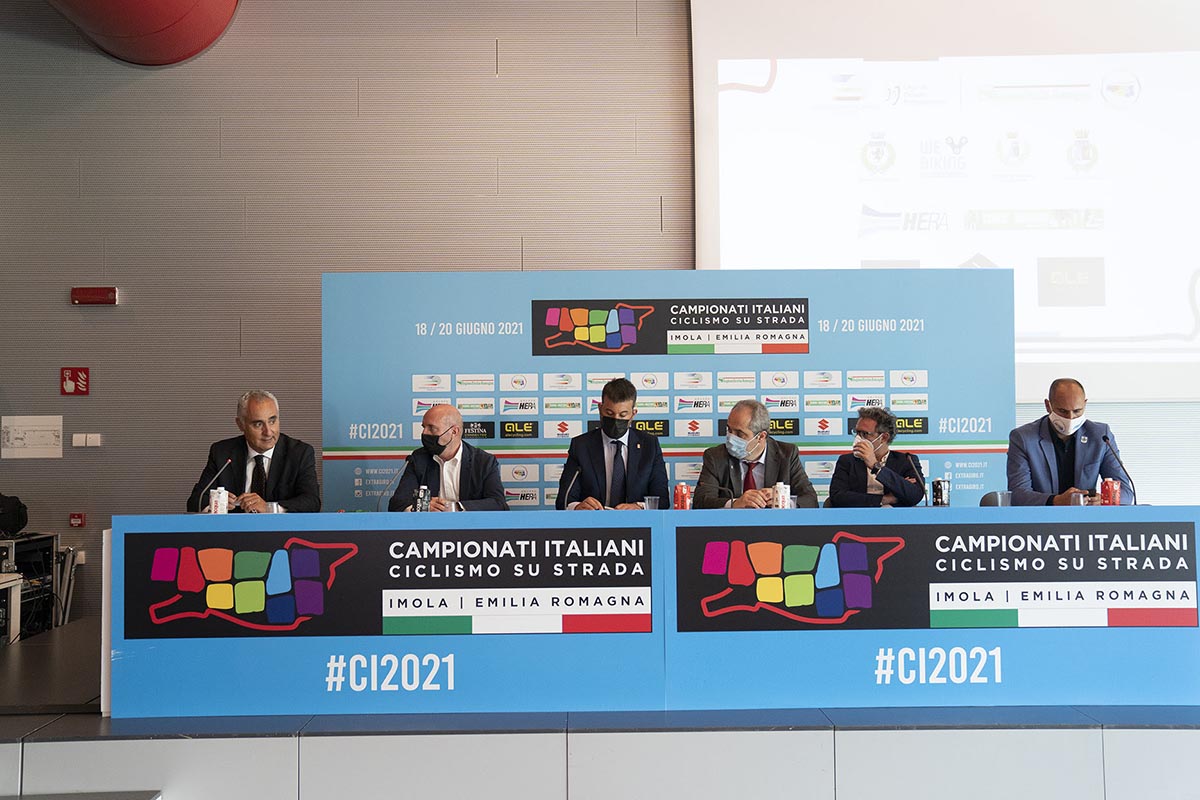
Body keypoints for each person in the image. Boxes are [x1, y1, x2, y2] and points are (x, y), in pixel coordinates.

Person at [187, 390, 321, 513]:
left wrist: (269, 507)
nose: (268, 432)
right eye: (258, 424)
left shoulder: (299, 453)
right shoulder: (223, 453)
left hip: (281, 530)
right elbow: (196, 501)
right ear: (240, 424)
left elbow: (312, 502)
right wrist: (215, 503)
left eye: (272, 421)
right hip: (234, 530)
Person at [1007, 377, 1132, 506]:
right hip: (1042, 517)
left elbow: (1126, 493)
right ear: (1048, 406)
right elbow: (1018, 495)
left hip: (1086, 516)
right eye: (1063, 411)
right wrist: (1056, 501)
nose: (1070, 418)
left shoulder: (1101, 436)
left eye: (1077, 411)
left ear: (1085, 404)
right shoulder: (1023, 438)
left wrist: (1103, 500)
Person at [556, 378, 670, 510]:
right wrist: (577, 507)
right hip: (594, 520)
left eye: (623, 415)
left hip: (637, 521)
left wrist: (639, 507)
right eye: (609, 413)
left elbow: (662, 500)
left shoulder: (649, 446)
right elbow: (564, 500)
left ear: (633, 414)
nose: (616, 420)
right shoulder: (581, 446)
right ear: (600, 409)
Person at [693, 399, 818, 509]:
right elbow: (700, 502)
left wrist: (784, 500)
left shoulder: (787, 455)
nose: (731, 438)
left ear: (761, 436)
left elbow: (810, 500)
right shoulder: (715, 456)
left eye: (739, 434)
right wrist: (735, 503)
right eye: (729, 430)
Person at [388, 404, 508, 511]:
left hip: (470, 526)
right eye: (423, 427)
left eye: (431, 428)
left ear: (454, 432)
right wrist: (421, 507)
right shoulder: (418, 459)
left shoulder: (484, 462)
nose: (424, 433)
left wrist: (456, 507)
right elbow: (397, 504)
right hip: (429, 527)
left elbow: (498, 504)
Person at [826, 406, 925, 507]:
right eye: (857, 432)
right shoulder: (847, 461)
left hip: (894, 516)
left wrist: (876, 466)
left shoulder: (906, 460)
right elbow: (837, 497)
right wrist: (885, 499)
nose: (858, 438)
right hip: (858, 515)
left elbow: (915, 495)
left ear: (884, 437)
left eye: (865, 434)